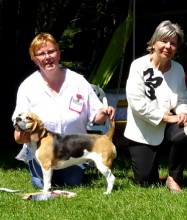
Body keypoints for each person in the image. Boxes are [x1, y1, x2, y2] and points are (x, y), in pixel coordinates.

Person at [12, 33, 115, 190]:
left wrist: (104, 112)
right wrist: (21, 136)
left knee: (72, 182)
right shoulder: (28, 86)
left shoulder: (78, 81)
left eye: (51, 51)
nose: (47, 57)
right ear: (34, 59)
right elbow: (18, 129)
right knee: (40, 184)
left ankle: (72, 169)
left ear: (59, 53)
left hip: (72, 148)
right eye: (41, 54)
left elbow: (97, 117)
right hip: (42, 148)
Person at [124, 20, 187, 193]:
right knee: (146, 181)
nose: (168, 46)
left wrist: (183, 112)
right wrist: (166, 116)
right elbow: (136, 102)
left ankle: (173, 177)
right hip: (143, 130)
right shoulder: (138, 66)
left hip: (170, 126)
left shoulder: (178, 69)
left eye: (173, 43)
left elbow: (183, 98)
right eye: (164, 41)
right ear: (154, 42)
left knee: (186, 133)